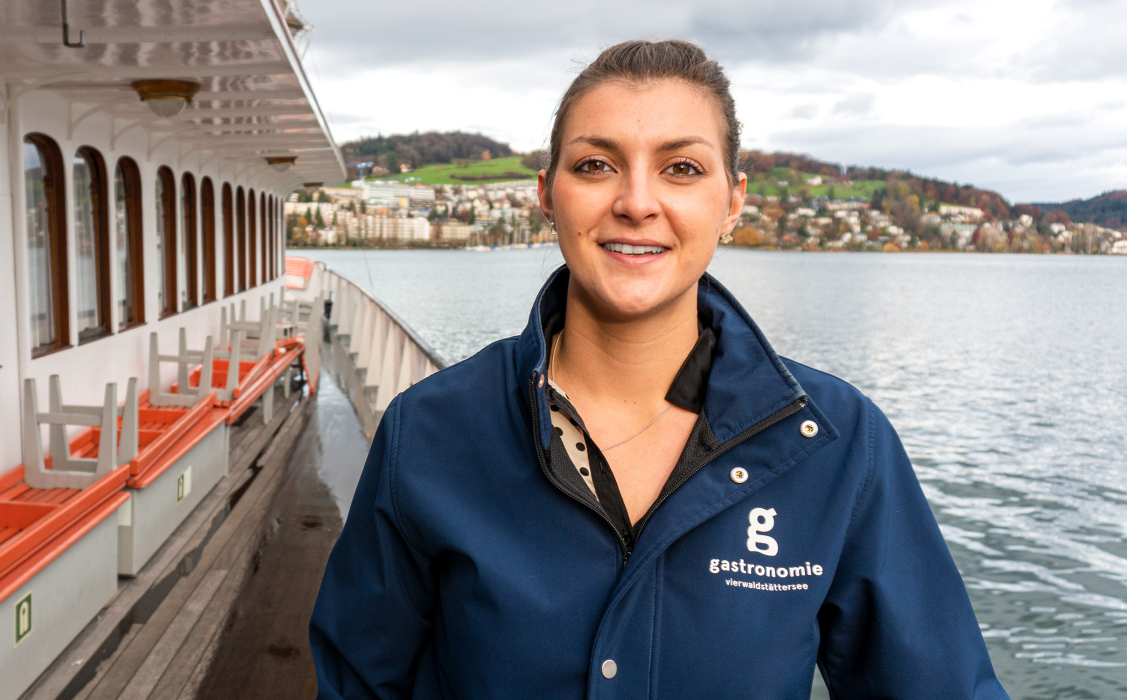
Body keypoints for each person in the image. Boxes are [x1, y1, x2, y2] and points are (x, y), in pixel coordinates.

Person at [310, 40, 1008, 699]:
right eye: (595, 165)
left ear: (732, 201)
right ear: (548, 195)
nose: (637, 202)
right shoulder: (431, 433)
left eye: (681, 168)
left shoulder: (836, 444)